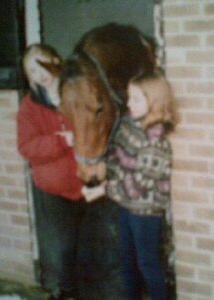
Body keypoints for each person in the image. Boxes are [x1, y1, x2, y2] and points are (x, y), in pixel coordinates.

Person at [83, 69, 178, 300]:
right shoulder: (128, 124)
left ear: (154, 102)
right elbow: (115, 156)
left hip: (145, 211)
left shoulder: (155, 141)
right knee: (127, 260)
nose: (129, 103)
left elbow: (136, 186)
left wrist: (103, 189)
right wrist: (105, 173)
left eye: (136, 98)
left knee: (147, 263)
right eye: (128, 96)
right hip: (125, 204)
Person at [17, 43, 84, 300]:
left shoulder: (76, 92)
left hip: (84, 182)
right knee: (64, 246)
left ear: (56, 61)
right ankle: (64, 293)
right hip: (53, 189)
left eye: (43, 66)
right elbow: (26, 146)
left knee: (85, 245)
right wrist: (61, 141)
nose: (40, 75)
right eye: (32, 72)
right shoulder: (29, 107)